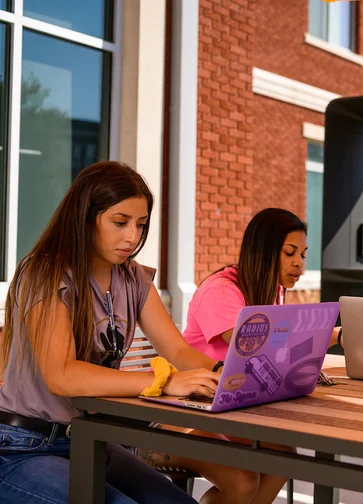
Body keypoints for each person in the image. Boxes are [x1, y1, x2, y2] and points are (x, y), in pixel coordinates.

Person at [0, 161, 221, 504]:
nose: (132, 237)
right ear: (86, 217)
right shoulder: (46, 271)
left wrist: (228, 377)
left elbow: (178, 352)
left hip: (90, 439)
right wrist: (162, 382)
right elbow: (61, 375)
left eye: (140, 224)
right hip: (22, 445)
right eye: (120, 222)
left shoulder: (132, 277)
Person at [137, 208, 340, 504]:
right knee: (243, 482)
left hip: (224, 411)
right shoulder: (222, 290)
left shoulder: (270, 291)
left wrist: (338, 335)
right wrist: (331, 337)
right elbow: (256, 351)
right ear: (264, 251)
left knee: (282, 458)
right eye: (289, 253)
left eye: (303, 255)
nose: (299, 264)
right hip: (175, 414)